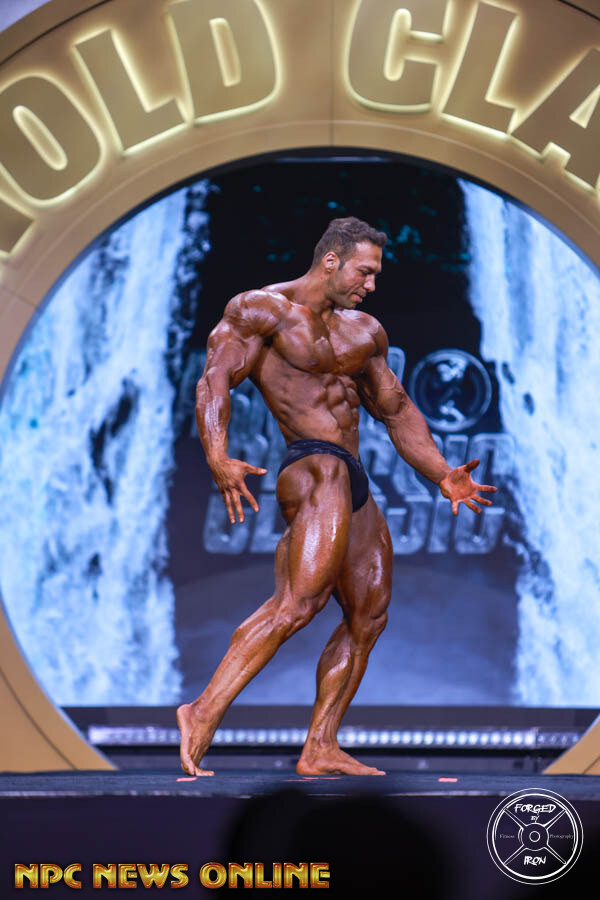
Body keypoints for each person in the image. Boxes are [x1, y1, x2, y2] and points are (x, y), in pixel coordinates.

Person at [177, 217, 496, 776]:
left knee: (369, 615)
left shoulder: (364, 332)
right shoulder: (261, 310)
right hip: (313, 465)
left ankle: (320, 745)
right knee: (298, 603)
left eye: (375, 275)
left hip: (352, 477)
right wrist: (217, 456)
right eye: (364, 272)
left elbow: (396, 410)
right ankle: (201, 712)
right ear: (331, 261)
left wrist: (442, 473)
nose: (371, 285)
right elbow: (214, 381)